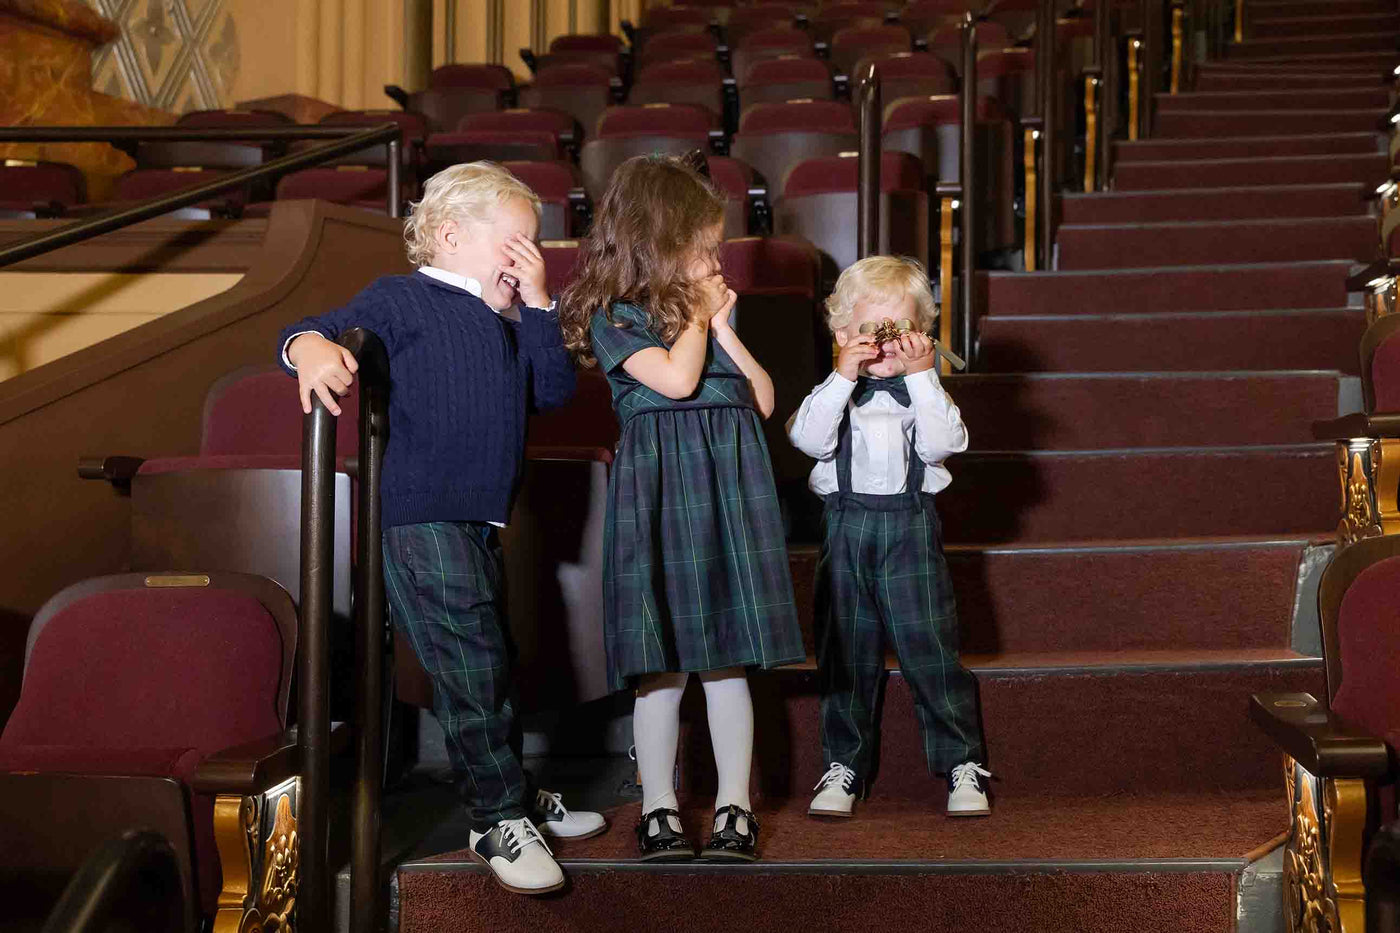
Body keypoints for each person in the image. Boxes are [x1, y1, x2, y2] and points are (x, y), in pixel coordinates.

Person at [276, 161, 606, 896]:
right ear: (450, 235)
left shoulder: (506, 319)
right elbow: (310, 328)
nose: (527, 259)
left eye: (535, 248)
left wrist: (541, 305)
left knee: (490, 659)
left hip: (478, 519)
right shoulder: (402, 297)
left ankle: (512, 793)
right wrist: (312, 350)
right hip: (420, 515)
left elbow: (552, 391)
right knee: (472, 663)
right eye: (516, 244)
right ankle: (495, 815)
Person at [557, 155, 804, 862]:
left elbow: (761, 400)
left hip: (731, 490)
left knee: (728, 662)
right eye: (702, 241)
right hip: (663, 492)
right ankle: (659, 807)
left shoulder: (711, 318)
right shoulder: (617, 315)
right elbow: (674, 380)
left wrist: (727, 328)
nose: (713, 255)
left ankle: (734, 804)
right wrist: (700, 317)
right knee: (659, 666)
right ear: (659, 237)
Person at [786, 255, 991, 820]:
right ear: (840, 333)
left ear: (921, 336)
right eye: (866, 333)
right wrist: (843, 375)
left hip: (910, 531)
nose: (881, 346)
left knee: (931, 648)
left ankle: (961, 763)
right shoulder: (833, 394)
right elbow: (807, 438)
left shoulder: (924, 394)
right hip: (845, 530)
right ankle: (842, 763)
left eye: (896, 332)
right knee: (845, 653)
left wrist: (925, 374)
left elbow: (942, 445)